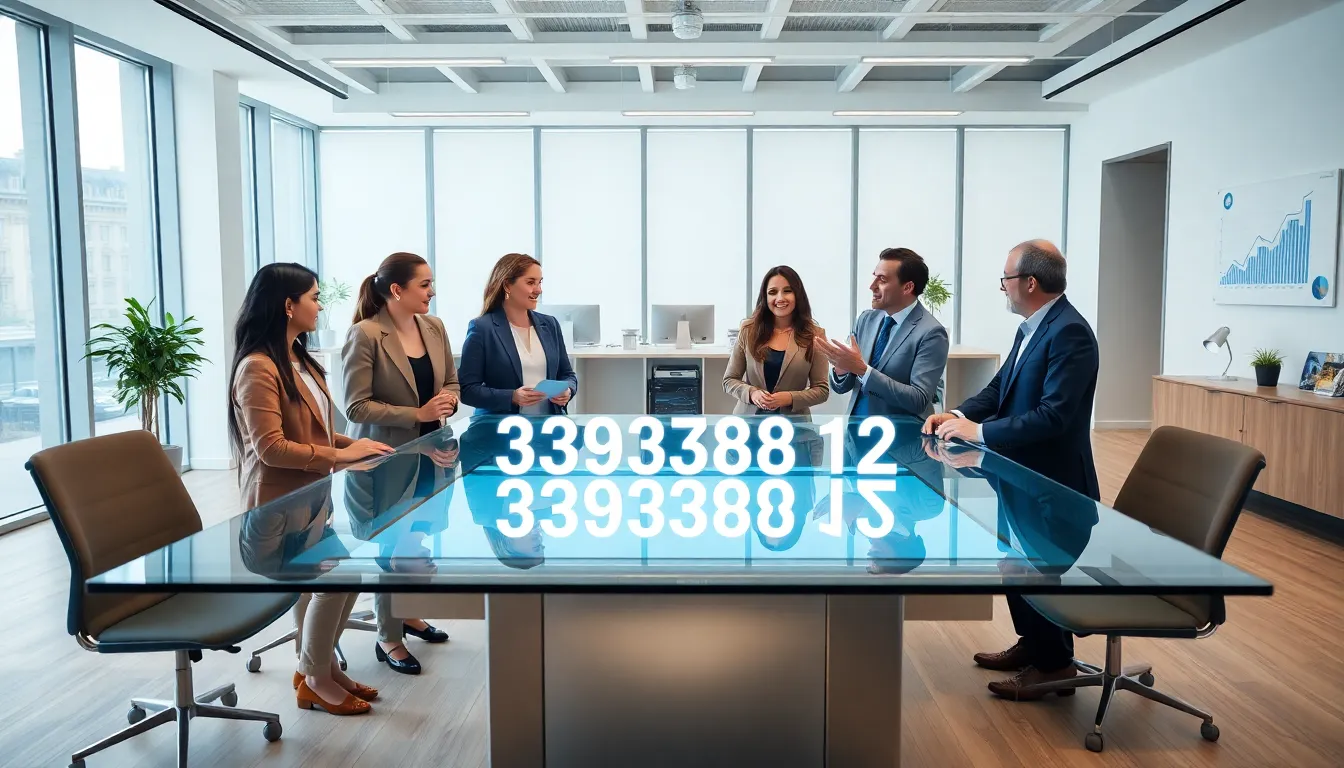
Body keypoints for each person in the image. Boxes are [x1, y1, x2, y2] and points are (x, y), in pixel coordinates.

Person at [921, 239, 1100, 701]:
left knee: (1033, 568)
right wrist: (957, 413)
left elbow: (1053, 415)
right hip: (1019, 472)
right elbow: (1001, 388)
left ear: (1030, 283)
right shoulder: (1033, 328)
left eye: (1006, 278)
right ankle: (1035, 646)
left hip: (1052, 481)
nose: (1002, 286)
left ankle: (1054, 667)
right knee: (1013, 563)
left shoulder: (1069, 333)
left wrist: (977, 434)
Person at [228, 262, 394, 716]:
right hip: (275, 515)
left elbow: (317, 432)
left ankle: (316, 668)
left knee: (350, 573)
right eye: (315, 297)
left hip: (311, 506)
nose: (321, 305)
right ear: (288, 305)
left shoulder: (300, 359)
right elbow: (272, 449)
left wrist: (353, 444)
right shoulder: (257, 368)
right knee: (337, 577)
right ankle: (316, 675)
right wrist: (341, 456)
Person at [342, 251, 460, 675]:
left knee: (418, 541)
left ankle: (408, 614)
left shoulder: (435, 326)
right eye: (424, 284)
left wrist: (447, 401)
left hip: (434, 454)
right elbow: (356, 407)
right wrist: (417, 415)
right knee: (393, 549)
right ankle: (388, 637)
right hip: (386, 461)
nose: (432, 291)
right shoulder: (366, 334)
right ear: (397, 290)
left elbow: (450, 379)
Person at [816, 247, 950, 420]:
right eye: (874, 277)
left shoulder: (932, 332)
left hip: (900, 438)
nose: (872, 286)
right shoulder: (866, 319)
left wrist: (863, 370)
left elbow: (919, 399)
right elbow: (842, 387)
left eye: (882, 280)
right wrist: (841, 368)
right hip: (855, 433)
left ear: (907, 287)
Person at [458, 253, 578, 416]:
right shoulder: (482, 328)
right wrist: (512, 397)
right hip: (501, 429)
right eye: (530, 282)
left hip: (548, 427)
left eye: (539, 283)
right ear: (507, 285)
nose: (538, 290)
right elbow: (467, 390)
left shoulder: (550, 325)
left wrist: (568, 390)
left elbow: (567, 374)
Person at [723, 266, 829, 417]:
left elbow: (822, 390)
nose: (780, 298)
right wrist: (752, 393)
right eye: (772, 292)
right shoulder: (748, 330)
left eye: (787, 291)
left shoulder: (815, 335)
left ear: (798, 295)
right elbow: (729, 380)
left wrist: (790, 398)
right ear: (765, 298)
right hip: (748, 426)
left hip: (794, 427)